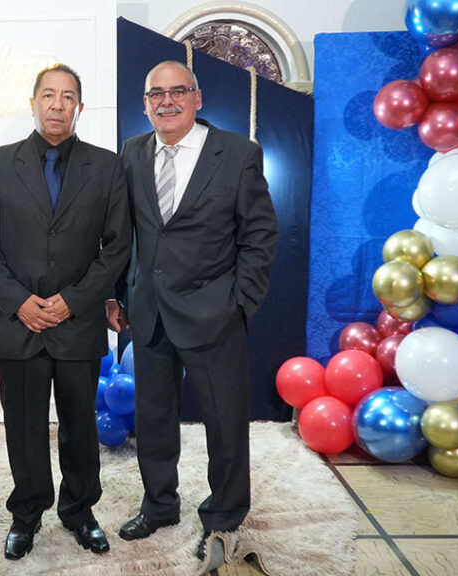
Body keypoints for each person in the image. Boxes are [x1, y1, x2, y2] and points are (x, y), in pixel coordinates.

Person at [108, 60, 279, 563]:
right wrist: (117, 294)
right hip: (149, 311)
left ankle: (223, 517)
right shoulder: (133, 152)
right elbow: (123, 233)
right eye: (155, 93)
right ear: (145, 104)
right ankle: (159, 505)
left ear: (197, 98)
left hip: (214, 312)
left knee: (225, 424)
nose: (167, 101)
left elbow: (260, 235)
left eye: (178, 91)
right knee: (153, 418)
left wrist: (240, 303)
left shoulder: (238, 153)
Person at [0, 64, 131, 561]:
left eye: (68, 97)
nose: (58, 105)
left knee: (80, 426)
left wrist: (74, 300)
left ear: (80, 106)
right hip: (18, 323)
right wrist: (20, 302)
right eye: (49, 95)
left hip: (77, 322)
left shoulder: (107, 167)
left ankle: (80, 512)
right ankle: (27, 513)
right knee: (24, 427)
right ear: (33, 103)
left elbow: (116, 248)